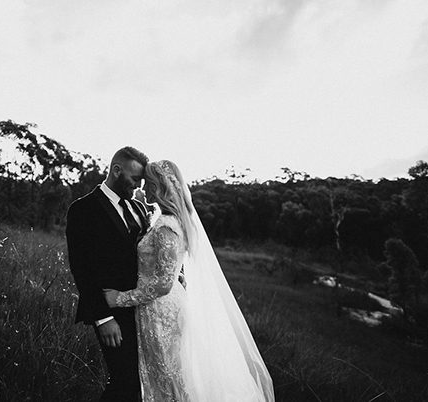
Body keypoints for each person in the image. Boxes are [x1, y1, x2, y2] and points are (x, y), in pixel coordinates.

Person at [103, 160, 275, 401]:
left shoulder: (166, 227)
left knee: (169, 378)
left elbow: (163, 284)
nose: (144, 188)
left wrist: (119, 299)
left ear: (159, 187)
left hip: (161, 311)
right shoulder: (166, 219)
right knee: (167, 376)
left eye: (148, 183)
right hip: (157, 307)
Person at [65, 146, 149, 401]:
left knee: (140, 381)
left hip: (143, 309)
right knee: (125, 380)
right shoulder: (83, 209)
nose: (139, 186)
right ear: (116, 170)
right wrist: (103, 318)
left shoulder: (139, 209)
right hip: (110, 310)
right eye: (135, 178)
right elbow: (81, 268)